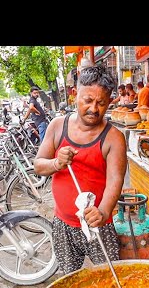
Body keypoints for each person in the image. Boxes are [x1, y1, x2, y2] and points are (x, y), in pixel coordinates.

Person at [33, 65, 127, 275]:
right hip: (63, 224)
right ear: (75, 94)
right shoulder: (58, 126)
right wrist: (57, 163)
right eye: (88, 100)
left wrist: (102, 212)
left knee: (109, 279)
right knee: (69, 281)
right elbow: (38, 165)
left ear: (109, 102)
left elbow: (115, 180)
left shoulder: (114, 138)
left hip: (98, 225)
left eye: (101, 103)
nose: (94, 108)